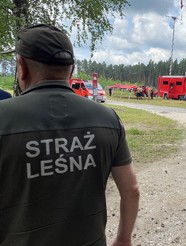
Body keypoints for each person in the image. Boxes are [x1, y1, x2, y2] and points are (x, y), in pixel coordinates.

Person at [0, 24, 139, 246]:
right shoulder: (108, 119)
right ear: (71, 70)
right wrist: (123, 240)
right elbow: (131, 189)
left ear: (22, 67)